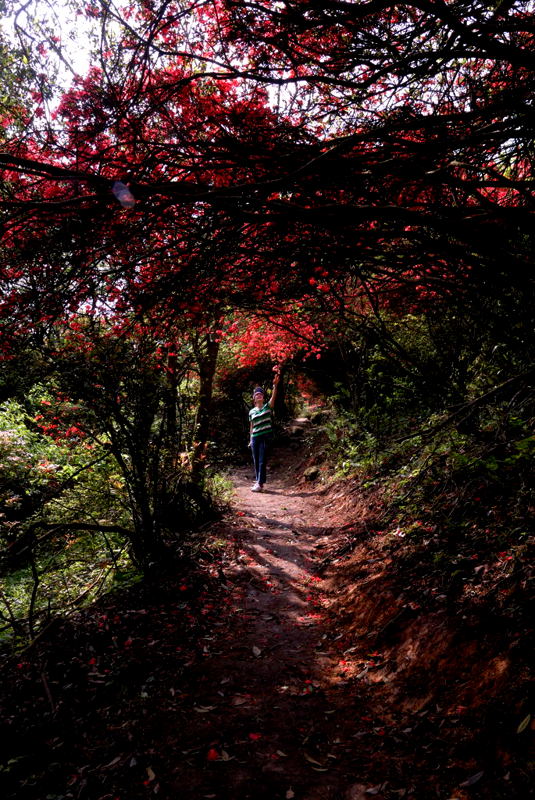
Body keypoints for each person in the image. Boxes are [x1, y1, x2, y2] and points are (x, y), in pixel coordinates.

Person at [248, 369, 280, 492]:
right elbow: (251, 426)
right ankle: (258, 482)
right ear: (254, 398)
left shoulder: (268, 407)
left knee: (262, 460)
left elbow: (274, 397)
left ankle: (259, 483)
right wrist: (250, 440)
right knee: (256, 460)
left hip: (265, 436)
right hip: (255, 437)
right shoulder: (251, 412)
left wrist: (275, 385)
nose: (259, 395)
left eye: (261, 394)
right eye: (257, 394)